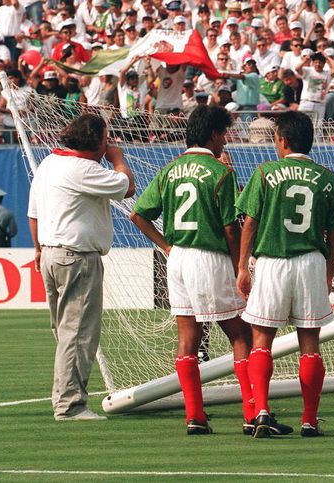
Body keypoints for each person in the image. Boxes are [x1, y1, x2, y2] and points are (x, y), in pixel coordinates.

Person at [129, 105, 258, 436]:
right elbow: (230, 228)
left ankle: (195, 416)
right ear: (214, 134)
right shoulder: (220, 172)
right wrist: (239, 266)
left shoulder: (170, 169)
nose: (225, 142)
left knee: (188, 338)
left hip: (179, 259)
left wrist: (166, 246)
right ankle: (251, 412)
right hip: (209, 257)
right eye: (225, 135)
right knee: (240, 334)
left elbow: (138, 215)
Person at [235, 110, 334, 438]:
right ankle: (309, 420)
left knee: (262, 339)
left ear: (282, 140)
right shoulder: (327, 177)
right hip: (311, 261)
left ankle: (263, 411)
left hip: (272, 262)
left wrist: (243, 265)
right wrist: (328, 272)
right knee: (310, 343)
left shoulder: (266, 173)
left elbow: (250, 221)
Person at [27, 113, 135, 421]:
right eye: (106, 138)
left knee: (64, 332)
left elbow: (33, 213)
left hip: (49, 253)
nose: (109, 143)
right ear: (96, 140)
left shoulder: (49, 164)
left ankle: (65, 396)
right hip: (77, 257)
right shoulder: (83, 169)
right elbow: (127, 187)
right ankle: (70, 405)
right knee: (78, 333)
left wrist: (37, 248)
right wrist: (117, 158)